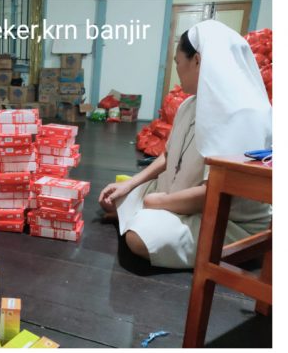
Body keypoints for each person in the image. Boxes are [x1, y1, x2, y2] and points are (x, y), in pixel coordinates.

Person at [98, 20, 271, 268]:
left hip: (221, 217)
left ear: (198, 61)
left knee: (139, 239)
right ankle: (140, 213)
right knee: (117, 193)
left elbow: (215, 193)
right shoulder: (189, 105)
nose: (177, 69)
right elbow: (169, 156)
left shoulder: (245, 115)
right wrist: (132, 185)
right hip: (179, 193)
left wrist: (156, 202)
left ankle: (141, 217)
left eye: (178, 62)